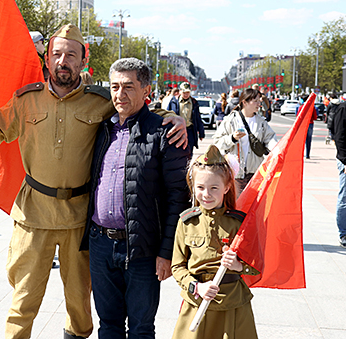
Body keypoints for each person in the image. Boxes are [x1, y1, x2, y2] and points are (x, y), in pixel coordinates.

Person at [0, 24, 187, 339]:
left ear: (82, 61)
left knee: (79, 303)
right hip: (34, 214)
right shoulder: (26, 100)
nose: (63, 61)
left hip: (79, 218)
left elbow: (132, 108)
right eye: (57, 54)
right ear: (47, 59)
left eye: (71, 55)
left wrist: (174, 117)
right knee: (24, 298)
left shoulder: (100, 101)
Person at [80, 58, 190, 338]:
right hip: (101, 244)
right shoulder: (102, 129)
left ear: (146, 90)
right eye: (115, 86)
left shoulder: (165, 133)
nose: (120, 94)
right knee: (109, 325)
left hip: (142, 249)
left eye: (129, 86)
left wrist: (166, 253)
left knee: (141, 328)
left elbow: (178, 197)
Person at [171, 145, 259, 339]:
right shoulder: (187, 221)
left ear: (227, 187)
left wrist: (237, 265)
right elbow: (177, 267)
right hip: (196, 302)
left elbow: (256, 265)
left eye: (214, 188)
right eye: (200, 187)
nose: (206, 194)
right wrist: (197, 287)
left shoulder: (239, 223)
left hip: (232, 304)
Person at [213, 88, 277, 193]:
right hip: (236, 173)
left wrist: (277, 150)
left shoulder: (261, 122)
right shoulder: (231, 120)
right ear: (245, 102)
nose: (258, 103)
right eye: (255, 101)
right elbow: (217, 142)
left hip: (255, 172)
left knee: (253, 205)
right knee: (237, 205)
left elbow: (270, 139)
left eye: (259, 100)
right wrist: (232, 138)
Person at [169, 82, 205, 160]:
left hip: (190, 130)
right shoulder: (174, 101)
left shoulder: (194, 102)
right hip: (177, 130)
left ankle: (187, 168)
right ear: (180, 91)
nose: (186, 94)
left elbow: (198, 118)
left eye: (188, 92)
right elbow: (167, 115)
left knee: (189, 151)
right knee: (177, 149)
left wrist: (201, 132)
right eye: (184, 92)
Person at [331, 101, 346, 247]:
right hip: (345, 160)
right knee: (345, 197)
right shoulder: (343, 109)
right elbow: (339, 137)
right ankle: (344, 233)